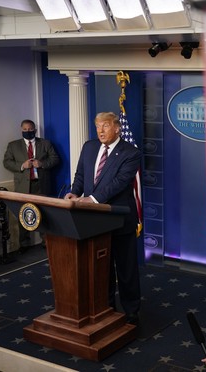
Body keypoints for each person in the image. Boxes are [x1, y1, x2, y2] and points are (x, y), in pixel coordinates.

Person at [64, 112, 142, 325]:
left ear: (117, 128)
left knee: (126, 269)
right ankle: (106, 306)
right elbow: (80, 175)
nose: (100, 130)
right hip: (94, 221)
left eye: (105, 126)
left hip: (119, 218)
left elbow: (120, 182)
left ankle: (132, 310)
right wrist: (75, 192)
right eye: (98, 126)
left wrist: (93, 198)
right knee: (102, 266)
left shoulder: (131, 152)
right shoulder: (89, 147)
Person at [3, 119, 60, 252]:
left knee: (44, 213)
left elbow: (55, 159)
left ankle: (46, 241)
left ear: (35, 130)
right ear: (21, 130)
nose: (28, 132)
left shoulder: (45, 143)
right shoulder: (13, 145)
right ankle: (24, 244)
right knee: (23, 214)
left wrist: (42, 164)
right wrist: (22, 165)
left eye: (30, 129)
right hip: (23, 187)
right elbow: (6, 162)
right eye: (25, 130)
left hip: (41, 185)